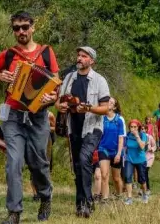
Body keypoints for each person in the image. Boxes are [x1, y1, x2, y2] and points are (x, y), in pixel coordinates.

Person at [0, 11, 59, 224]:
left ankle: (45, 196)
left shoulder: (46, 52)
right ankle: (14, 212)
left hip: (38, 115)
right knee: (14, 162)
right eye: (16, 28)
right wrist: (0, 76)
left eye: (24, 27)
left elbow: (56, 81)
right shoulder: (9, 54)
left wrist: (51, 96)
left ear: (32, 28)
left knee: (38, 162)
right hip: (13, 116)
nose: (21, 31)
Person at [56, 46, 110, 218]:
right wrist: (61, 106)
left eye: (83, 56)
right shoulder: (69, 78)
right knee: (78, 166)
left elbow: (105, 109)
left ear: (91, 61)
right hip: (73, 128)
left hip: (93, 128)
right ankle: (80, 203)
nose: (79, 58)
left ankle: (87, 201)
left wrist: (88, 108)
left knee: (84, 158)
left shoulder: (99, 80)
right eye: (78, 55)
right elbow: (58, 102)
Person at [97, 98, 125, 203]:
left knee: (116, 178)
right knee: (104, 175)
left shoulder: (119, 120)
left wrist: (119, 153)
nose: (109, 104)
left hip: (116, 151)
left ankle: (119, 195)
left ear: (114, 107)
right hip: (103, 149)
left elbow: (121, 137)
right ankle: (105, 199)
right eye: (108, 102)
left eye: (111, 103)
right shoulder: (101, 118)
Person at [123, 120, 149, 205]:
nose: (133, 129)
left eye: (135, 127)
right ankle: (129, 198)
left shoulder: (143, 135)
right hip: (129, 160)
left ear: (138, 127)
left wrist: (137, 136)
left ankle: (145, 194)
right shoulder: (127, 135)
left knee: (142, 179)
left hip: (140, 160)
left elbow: (142, 146)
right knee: (127, 177)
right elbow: (125, 146)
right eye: (131, 127)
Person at [144, 121, 156, 195]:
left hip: (149, 157)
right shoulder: (138, 138)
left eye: (144, 129)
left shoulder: (150, 137)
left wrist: (151, 149)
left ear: (146, 129)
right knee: (141, 174)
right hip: (141, 157)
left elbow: (154, 146)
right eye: (141, 129)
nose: (142, 130)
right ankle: (143, 188)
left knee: (145, 172)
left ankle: (148, 189)